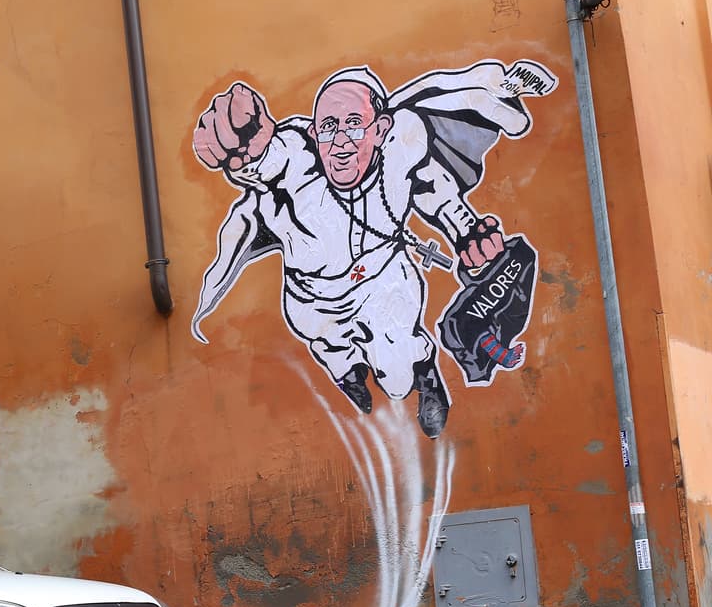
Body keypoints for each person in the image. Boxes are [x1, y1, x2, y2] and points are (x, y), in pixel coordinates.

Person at [191, 60, 556, 438]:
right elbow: (268, 159)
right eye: (328, 128)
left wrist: (465, 232)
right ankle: (347, 373)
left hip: (384, 284)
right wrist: (248, 147)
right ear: (314, 133)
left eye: (353, 123)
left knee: (397, 380)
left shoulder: (403, 146)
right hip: (312, 296)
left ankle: (424, 372)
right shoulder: (297, 156)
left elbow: (434, 191)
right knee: (331, 347)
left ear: (381, 129)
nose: (340, 142)